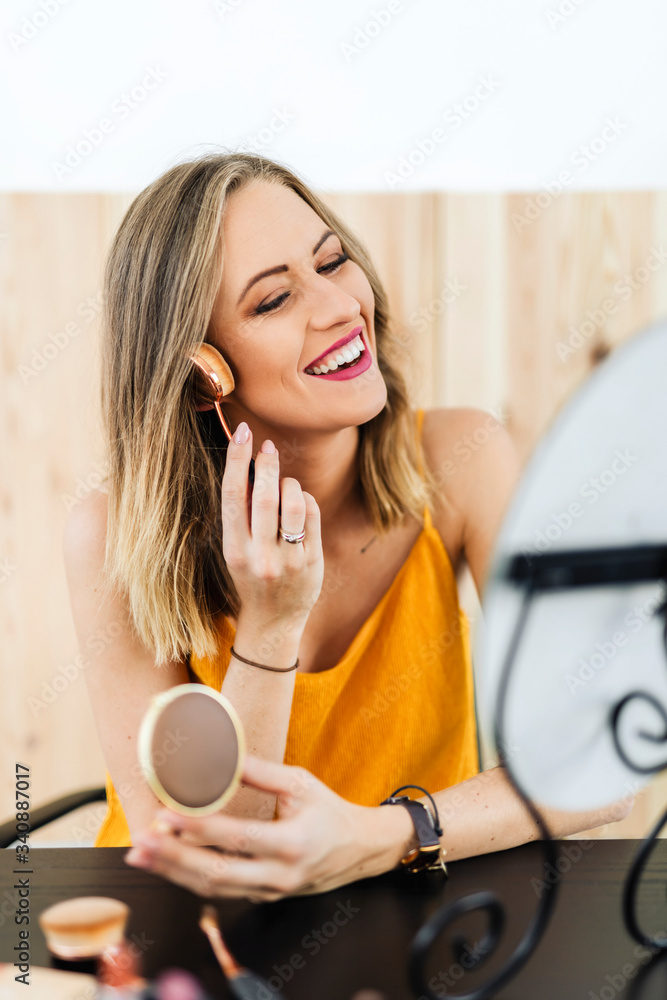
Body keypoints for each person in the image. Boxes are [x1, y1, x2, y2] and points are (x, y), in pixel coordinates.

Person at [63, 152, 631, 903]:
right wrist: (269, 627)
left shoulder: (460, 461)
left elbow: (601, 765)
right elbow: (213, 868)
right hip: (200, 949)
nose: (336, 306)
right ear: (202, 372)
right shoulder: (112, 535)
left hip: (421, 916)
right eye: (273, 301)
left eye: (333, 261)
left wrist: (382, 837)